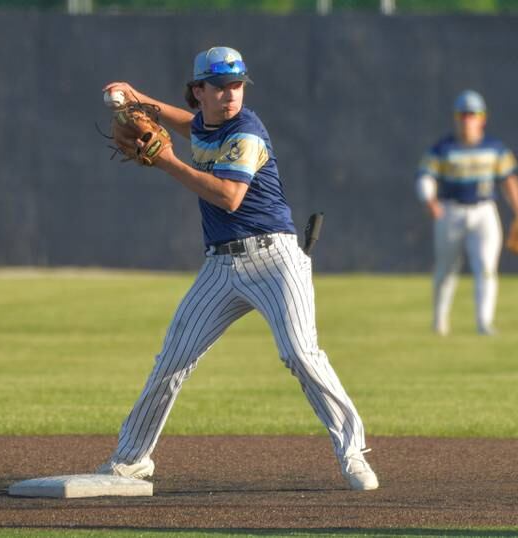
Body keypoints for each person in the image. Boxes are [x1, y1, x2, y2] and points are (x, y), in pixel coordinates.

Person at [96, 46, 378, 491]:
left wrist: (167, 160)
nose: (231, 95)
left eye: (237, 85)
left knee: (300, 354)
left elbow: (228, 197)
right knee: (172, 360)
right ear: (199, 91)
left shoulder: (247, 130)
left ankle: (352, 452)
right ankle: (131, 459)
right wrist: (140, 100)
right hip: (221, 267)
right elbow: (191, 126)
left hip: (276, 260)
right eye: (221, 86)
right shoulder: (207, 124)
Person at [415, 90, 518, 336]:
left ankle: (484, 322)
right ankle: (439, 321)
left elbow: (509, 181)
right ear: (455, 118)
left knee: (487, 267)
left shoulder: (495, 148)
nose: (467, 119)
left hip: (484, 212)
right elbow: (425, 177)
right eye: (463, 114)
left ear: (482, 118)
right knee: (446, 269)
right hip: (450, 211)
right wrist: (429, 200)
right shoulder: (443, 149)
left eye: (472, 114)